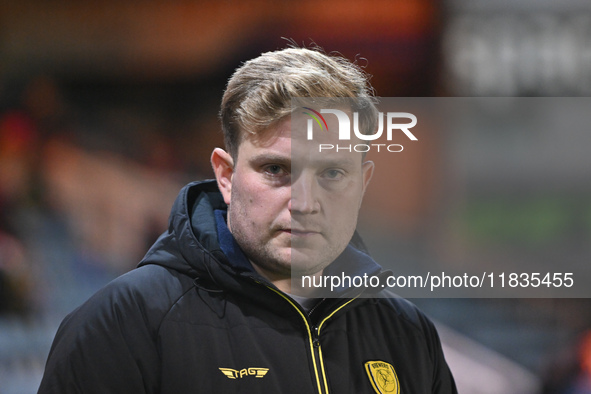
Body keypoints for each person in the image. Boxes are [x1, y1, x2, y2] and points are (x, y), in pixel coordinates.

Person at [38, 46, 457, 393]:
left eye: (332, 173)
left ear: (362, 184)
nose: (304, 202)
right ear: (225, 175)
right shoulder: (122, 324)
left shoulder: (408, 334)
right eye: (276, 170)